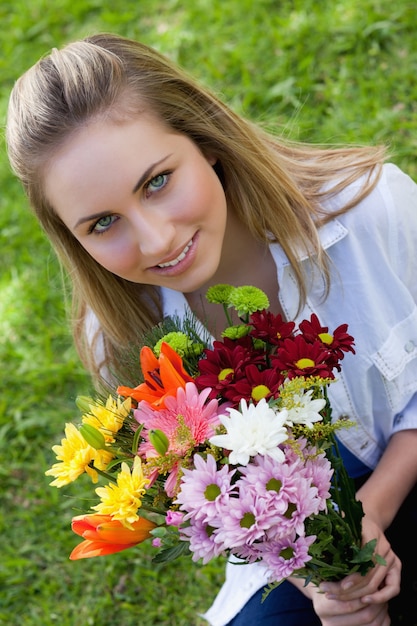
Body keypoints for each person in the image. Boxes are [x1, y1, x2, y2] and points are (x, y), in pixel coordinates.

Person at [6, 33, 417, 626]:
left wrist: (371, 513)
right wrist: (323, 575)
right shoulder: (124, 333)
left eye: (157, 181)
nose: (157, 240)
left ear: (207, 142)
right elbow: (208, 499)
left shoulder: (371, 212)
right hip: (290, 539)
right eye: (102, 223)